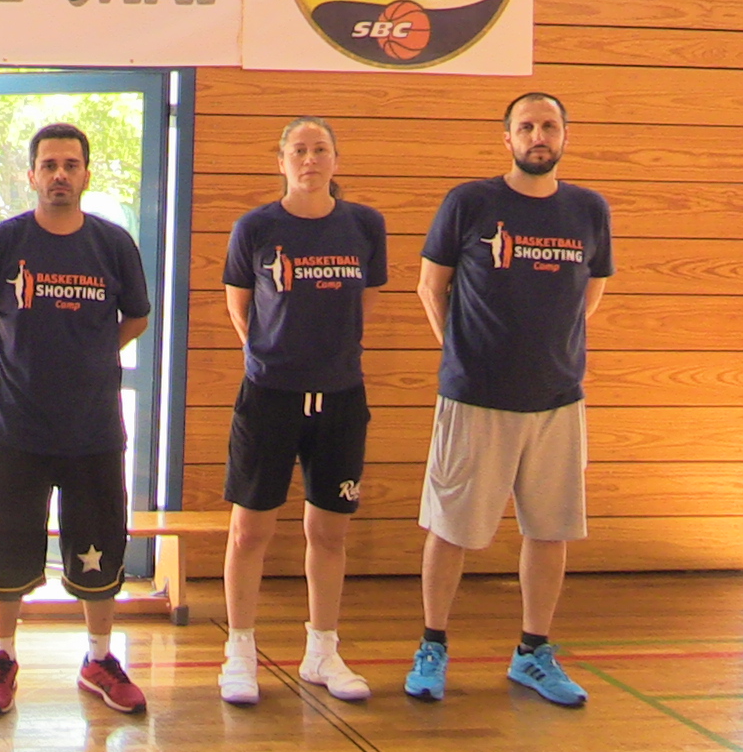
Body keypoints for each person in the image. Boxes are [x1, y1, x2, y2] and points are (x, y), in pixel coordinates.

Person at [408, 92, 612, 707]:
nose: (538, 136)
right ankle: (432, 646)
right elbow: (430, 286)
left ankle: (532, 653)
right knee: (451, 528)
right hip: (475, 396)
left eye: (549, 125)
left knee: (550, 531)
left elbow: (591, 291)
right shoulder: (470, 202)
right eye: (526, 127)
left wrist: (554, 350)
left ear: (565, 135)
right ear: (508, 139)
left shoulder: (588, 209)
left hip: (557, 399)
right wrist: (463, 354)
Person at [0, 123, 152, 716]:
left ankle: (99, 658)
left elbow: (137, 318)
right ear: (32, 175)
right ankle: (2, 657)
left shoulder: (113, 244)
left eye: (71, 164)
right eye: (49, 165)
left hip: (94, 430)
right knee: (6, 546)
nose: (60, 174)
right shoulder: (2, 242)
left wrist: (91, 356)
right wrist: (20, 358)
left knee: (100, 547)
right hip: (19, 428)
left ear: (86, 174)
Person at [217, 117, 387, 705]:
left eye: (320, 149)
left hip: (341, 396)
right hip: (269, 397)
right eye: (298, 150)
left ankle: (322, 651)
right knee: (249, 530)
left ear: (336, 159)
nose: (309, 159)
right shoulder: (256, 227)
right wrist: (273, 357)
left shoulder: (364, 225)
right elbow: (240, 307)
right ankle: (240, 652)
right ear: (282, 160)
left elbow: (363, 304)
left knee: (329, 531)